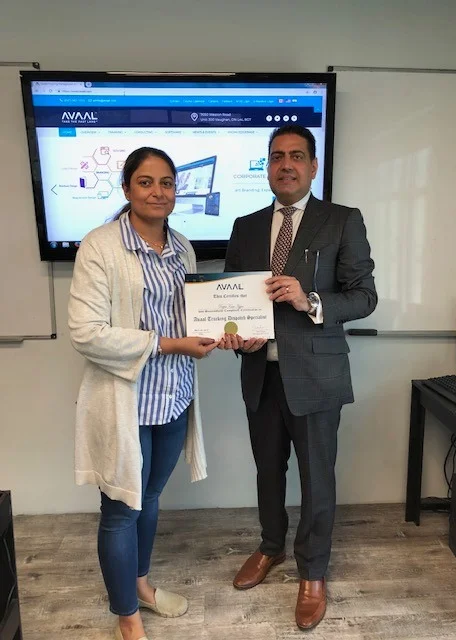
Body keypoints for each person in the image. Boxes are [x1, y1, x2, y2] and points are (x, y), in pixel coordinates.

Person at [220, 125, 377, 630]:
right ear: (267, 167)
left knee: (316, 477)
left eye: (295, 156)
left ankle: (313, 571)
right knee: (268, 470)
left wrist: (310, 300)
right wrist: (234, 335)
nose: (285, 165)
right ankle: (271, 547)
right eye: (276, 156)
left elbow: (364, 296)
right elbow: (231, 300)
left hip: (316, 376)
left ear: (312, 166)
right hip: (259, 374)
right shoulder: (245, 226)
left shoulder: (342, 220)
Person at [68, 147, 218, 640]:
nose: (158, 192)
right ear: (127, 188)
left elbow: (192, 315)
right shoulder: (100, 245)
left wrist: (226, 331)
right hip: (125, 403)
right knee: (121, 508)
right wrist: (170, 344)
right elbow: (86, 333)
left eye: (167, 183)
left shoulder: (184, 248)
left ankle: (140, 586)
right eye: (146, 182)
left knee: (150, 497)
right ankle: (126, 617)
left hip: (174, 397)